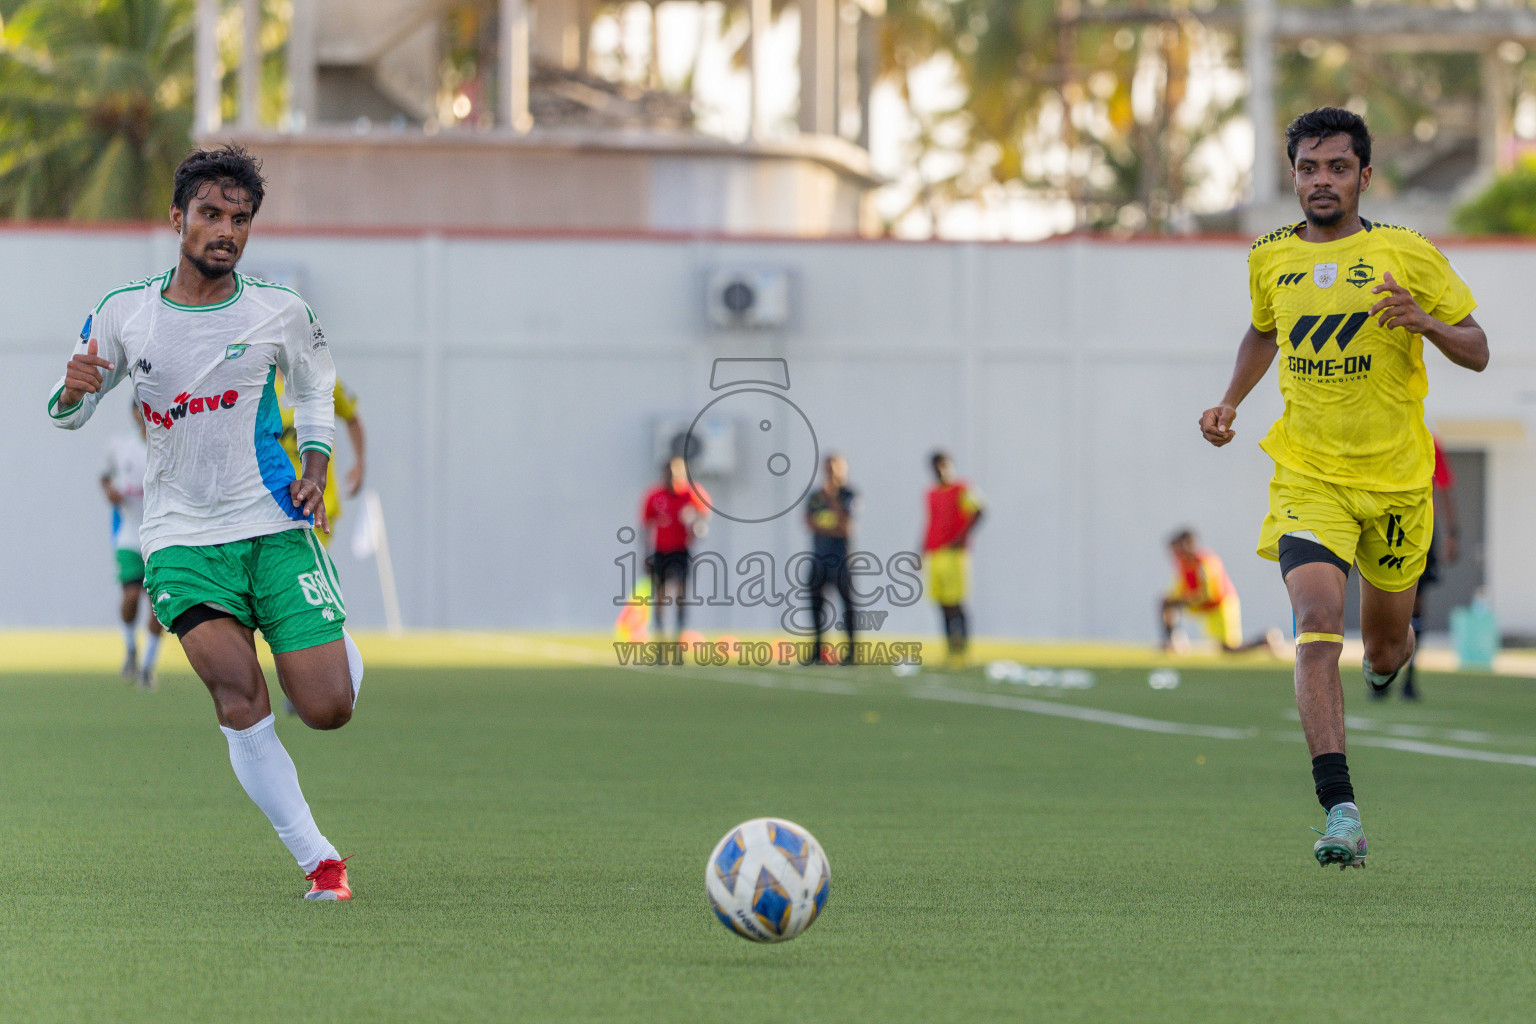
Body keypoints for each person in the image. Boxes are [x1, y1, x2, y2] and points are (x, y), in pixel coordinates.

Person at [48, 144, 364, 900]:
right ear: (179, 218)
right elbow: (70, 413)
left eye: (240, 219)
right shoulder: (125, 313)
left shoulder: (280, 312)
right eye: (212, 214)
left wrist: (317, 464)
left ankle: (328, 640)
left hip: (275, 525)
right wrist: (72, 391)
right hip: (181, 539)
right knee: (238, 697)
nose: (226, 229)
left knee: (327, 709)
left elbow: (316, 391)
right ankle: (321, 862)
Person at [1200, 107, 1487, 869]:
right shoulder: (1269, 257)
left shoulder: (1406, 253)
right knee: (1318, 617)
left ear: (1364, 175)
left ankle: (1389, 654)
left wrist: (1423, 322)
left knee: (1388, 648)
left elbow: (1479, 349)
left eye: (1335, 168)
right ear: (1292, 175)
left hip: (1396, 483)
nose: (1320, 181)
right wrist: (1231, 399)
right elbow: (1264, 329)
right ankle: (1341, 810)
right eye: (1306, 168)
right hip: (1309, 474)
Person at [1378, 437, 1459, 701]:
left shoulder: (1429, 441)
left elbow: (1444, 487)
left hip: (1420, 529)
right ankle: (1383, 673)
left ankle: (1409, 679)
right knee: (1383, 602)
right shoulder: (1384, 437)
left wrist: (1452, 534)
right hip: (1386, 526)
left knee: (1416, 605)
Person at [102, 403, 163, 689]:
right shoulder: (121, 446)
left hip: (161, 536)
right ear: (134, 413)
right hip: (128, 532)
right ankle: (130, 647)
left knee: (157, 606)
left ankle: (148, 666)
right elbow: (105, 477)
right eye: (140, 409)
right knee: (129, 597)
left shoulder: (168, 444)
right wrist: (110, 493)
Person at [1160, 528, 1283, 655]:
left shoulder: (1205, 562)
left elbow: (1209, 595)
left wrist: (1187, 599)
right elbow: (1178, 589)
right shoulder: (1183, 564)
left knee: (1230, 649)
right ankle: (1173, 642)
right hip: (1205, 607)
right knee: (1167, 603)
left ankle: (1265, 639)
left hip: (1221, 606)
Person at [278, 373, 365, 547]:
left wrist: (359, 463)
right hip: (276, 502)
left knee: (306, 569)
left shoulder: (322, 378)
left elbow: (352, 418)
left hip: (317, 503)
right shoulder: (260, 381)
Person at [922, 451, 984, 666]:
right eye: (937, 466)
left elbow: (980, 509)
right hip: (935, 553)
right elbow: (930, 523)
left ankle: (963, 649)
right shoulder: (931, 493)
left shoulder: (963, 489)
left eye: (944, 465)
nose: (941, 470)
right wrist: (921, 550)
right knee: (941, 602)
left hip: (954, 554)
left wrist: (962, 537)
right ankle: (950, 648)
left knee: (956, 601)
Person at [640, 455, 710, 641]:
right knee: (661, 595)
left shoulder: (691, 494)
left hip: (681, 550)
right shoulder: (655, 496)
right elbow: (646, 526)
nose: (673, 476)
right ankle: (660, 637)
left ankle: (679, 635)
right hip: (661, 550)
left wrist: (696, 525)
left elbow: (704, 515)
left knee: (680, 592)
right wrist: (646, 555)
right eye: (670, 472)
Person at [804, 453, 858, 665]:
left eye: (835, 468)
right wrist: (830, 526)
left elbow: (845, 527)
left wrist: (832, 499)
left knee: (847, 604)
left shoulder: (848, 494)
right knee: (815, 604)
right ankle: (817, 651)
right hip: (819, 557)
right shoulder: (815, 496)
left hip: (841, 558)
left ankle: (851, 653)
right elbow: (809, 522)